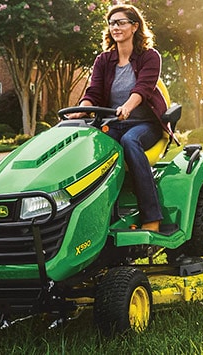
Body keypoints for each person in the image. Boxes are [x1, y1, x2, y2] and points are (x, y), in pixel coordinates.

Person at [72, 4, 170, 233]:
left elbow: (143, 88)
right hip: (113, 123)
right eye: (112, 23)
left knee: (129, 142)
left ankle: (152, 216)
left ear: (135, 26)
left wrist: (127, 106)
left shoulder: (150, 57)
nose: (115, 27)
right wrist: (81, 109)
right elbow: (93, 92)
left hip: (144, 124)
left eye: (121, 22)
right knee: (86, 146)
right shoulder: (103, 61)